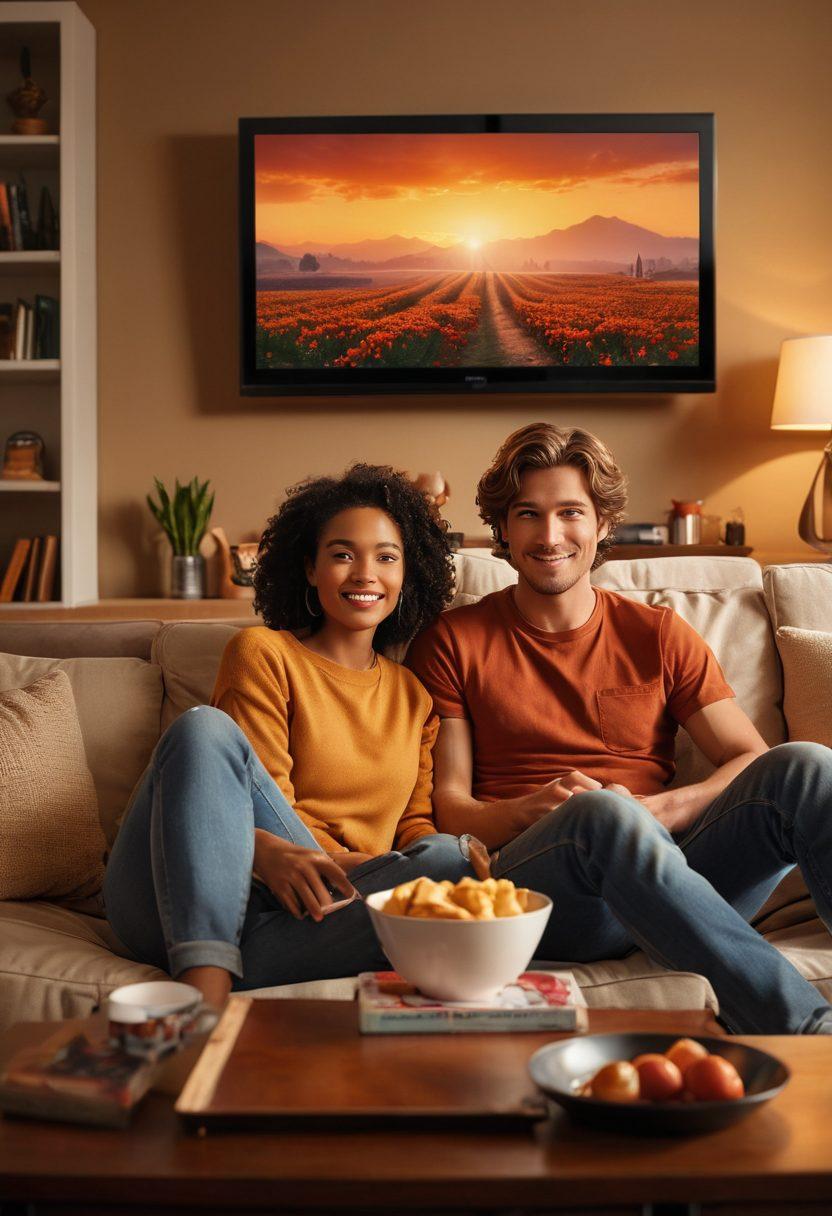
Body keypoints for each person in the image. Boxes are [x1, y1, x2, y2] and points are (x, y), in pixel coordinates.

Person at [407, 422, 832, 1035]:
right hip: (549, 890)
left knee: (807, 766)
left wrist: (660, 811)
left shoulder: (657, 635)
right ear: (502, 528)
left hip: (673, 874)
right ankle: (810, 1032)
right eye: (527, 514)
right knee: (604, 816)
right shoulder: (453, 640)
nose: (550, 535)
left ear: (602, 523)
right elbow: (450, 808)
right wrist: (533, 810)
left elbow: (749, 757)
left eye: (570, 513)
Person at [105, 464, 473, 1009]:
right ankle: (203, 1005)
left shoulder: (416, 698)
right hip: (200, 888)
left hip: (328, 907)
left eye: (386, 557)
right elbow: (248, 803)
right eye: (343, 554)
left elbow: (413, 828)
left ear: (407, 575)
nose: (365, 573)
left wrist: (389, 868)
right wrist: (279, 854)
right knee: (203, 729)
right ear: (310, 568)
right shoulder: (265, 653)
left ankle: (228, 963)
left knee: (446, 857)